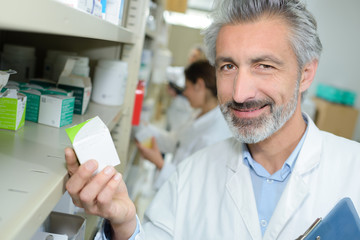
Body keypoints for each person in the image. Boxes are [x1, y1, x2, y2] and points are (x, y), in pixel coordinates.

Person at [64, 0, 360, 239]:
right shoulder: (190, 176)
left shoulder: (353, 171)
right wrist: (125, 225)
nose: (240, 93)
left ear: (305, 74)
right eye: (228, 66)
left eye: (264, 66)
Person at [136, 60, 232, 190]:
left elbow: (194, 184)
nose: (185, 93)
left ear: (199, 85)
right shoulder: (200, 114)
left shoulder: (214, 135)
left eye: (187, 87)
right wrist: (141, 126)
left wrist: (159, 162)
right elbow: (175, 141)